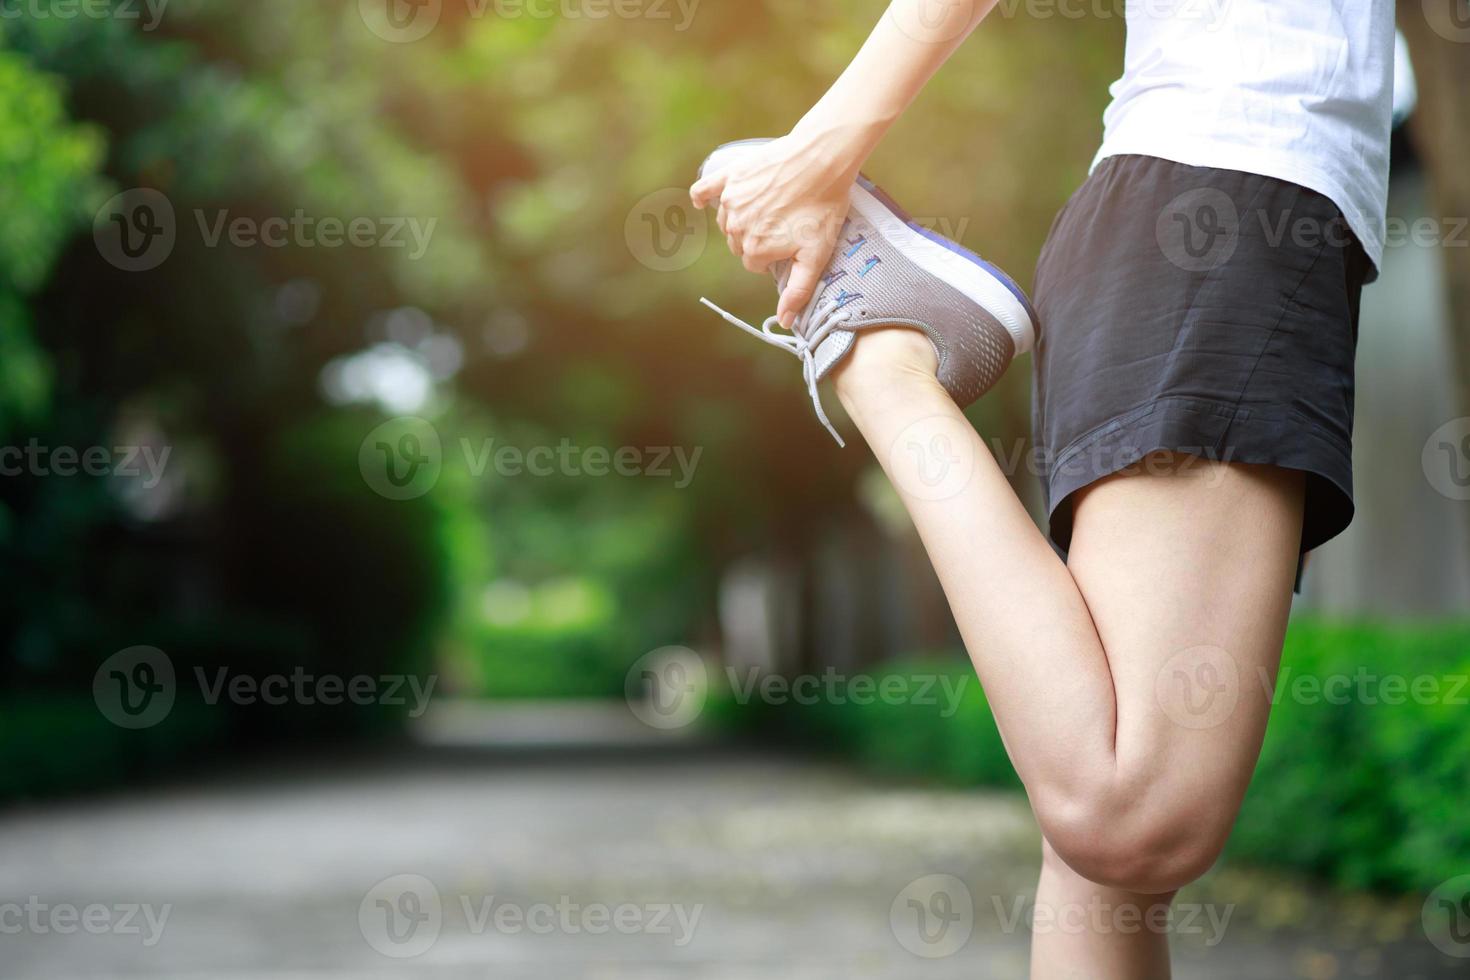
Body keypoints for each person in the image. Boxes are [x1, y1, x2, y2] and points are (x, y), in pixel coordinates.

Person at [689, 2, 1393, 976]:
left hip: (1204, 218)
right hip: (1228, 198)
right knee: (1130, 813)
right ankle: (881, 358)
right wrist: (821, 150)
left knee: (1104, 869)